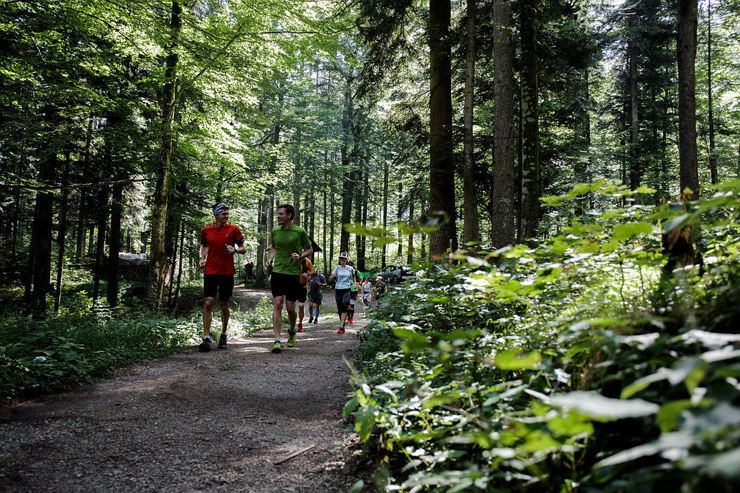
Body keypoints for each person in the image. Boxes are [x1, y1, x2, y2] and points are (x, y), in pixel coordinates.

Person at [198, 203, 245, 352]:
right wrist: (202, 258)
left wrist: (236, 249)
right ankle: (206, 337)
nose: (226, 216)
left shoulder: (234, 230)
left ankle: (223, 334)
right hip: (210, 271)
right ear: (216, 215)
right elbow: (205, 246)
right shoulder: (206, 230)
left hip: (227, 272)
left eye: (227, 213)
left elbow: (243, 249)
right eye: (223, 213)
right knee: (208, 302)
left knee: (224, 304)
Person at [267, 204, 312, 353]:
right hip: (278, 272)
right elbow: (273, 246)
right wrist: (270, 258)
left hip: (293, 274)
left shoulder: (299, 231)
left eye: (281, 214)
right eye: (278, 214)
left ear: (289, 215)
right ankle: (277, 340)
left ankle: (292, 330)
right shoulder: (275, 230)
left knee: (290, 309)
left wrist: (300, 256)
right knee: (278, 304)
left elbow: (309, 249)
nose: (278, 216)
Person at [328, 251, 358, 334]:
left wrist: (355, 283)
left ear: (347, 260)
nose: (343, 260)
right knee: (340, 309)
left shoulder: (350, 268)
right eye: (341, 259)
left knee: (345, 304)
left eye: (344, 259)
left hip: (347, 289)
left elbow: (354, 276)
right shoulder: (337, 268)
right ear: (339, 260)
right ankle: (342, 323)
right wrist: (332, 277)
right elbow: (330, 278)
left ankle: (341, 327)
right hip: (338, 290)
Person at [296, 256, 316, 332]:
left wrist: (307, 274)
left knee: (301, 307)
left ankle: (300, 323)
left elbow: (313, 271)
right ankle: (292, 323)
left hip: (302, 287)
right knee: (290, 306)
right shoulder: (289, 258)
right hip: (291, 286)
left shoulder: (306, 260)